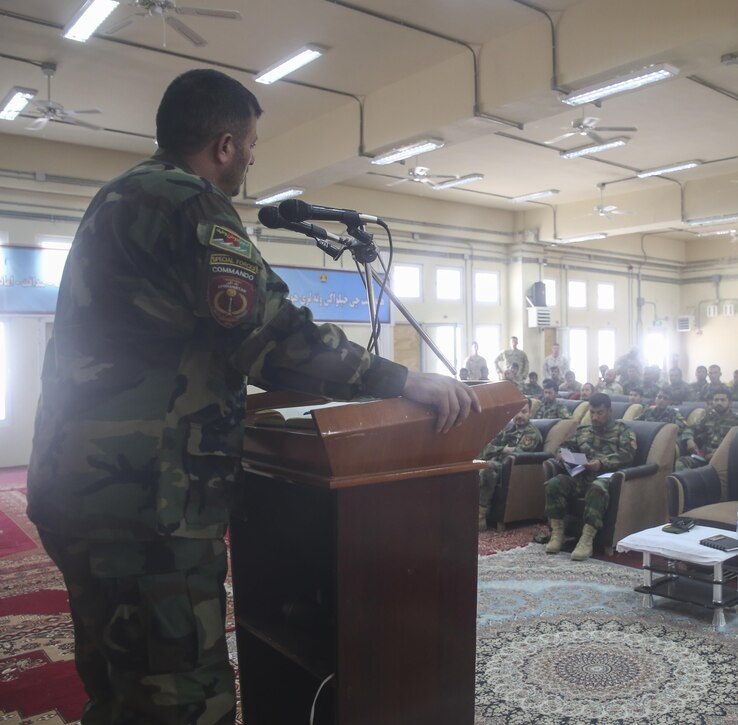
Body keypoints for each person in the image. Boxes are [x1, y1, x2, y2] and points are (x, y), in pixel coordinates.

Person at [24, 69, 479, 725]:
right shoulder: (186, 203)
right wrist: (404, 381)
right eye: (253, 143)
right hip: (149, 505)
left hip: (84, 488)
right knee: (183, 699)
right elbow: (273, 336)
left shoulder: (121, 196)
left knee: (120, 687)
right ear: (226, 145)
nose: (254, 157)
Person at [543, 393, 637, 561]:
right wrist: (562, 455)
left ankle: (586, 539)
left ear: (609, 411)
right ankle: (557, 534)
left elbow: (627, 456)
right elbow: (564, 446)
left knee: (597, 488)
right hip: (581, 476)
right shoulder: (583, 431)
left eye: (599, 413)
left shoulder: (623, 431)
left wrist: (601, 463)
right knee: (554, 484)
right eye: (592, 412)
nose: (594, 417)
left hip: (607, 478)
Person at [477, 399, 544, 530]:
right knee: (472, 465)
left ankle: (480, 517)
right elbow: (485, 448)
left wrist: (497, 449)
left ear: (530, 413)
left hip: (513, 470)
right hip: (496, 462)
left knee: (487, 468)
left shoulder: (531, 433)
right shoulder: (508, 428)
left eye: (523, 412)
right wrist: (503, 449)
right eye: (516, 412)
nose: (519, 415)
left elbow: (519, 454)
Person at [676, 387, 738, 469]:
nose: (719, 403)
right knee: (680, 463)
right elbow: (690, 428)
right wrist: (689, 440)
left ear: (730, 403)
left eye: (722, 400)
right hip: (703, 457)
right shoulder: (708, 417)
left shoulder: (737, 422)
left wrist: (717, 454)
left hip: (724, 460)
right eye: (716, 400)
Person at [638, 390, 696, 463]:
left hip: (662, 444)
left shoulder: (673, 414)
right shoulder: (648, 411)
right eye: (659, 397)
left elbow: (686, 428)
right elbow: (635, 423)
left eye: (665, 398)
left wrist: (689, 440)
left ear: (669, 402)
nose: (661, 400)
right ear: (655, 399)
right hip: (646, 442)